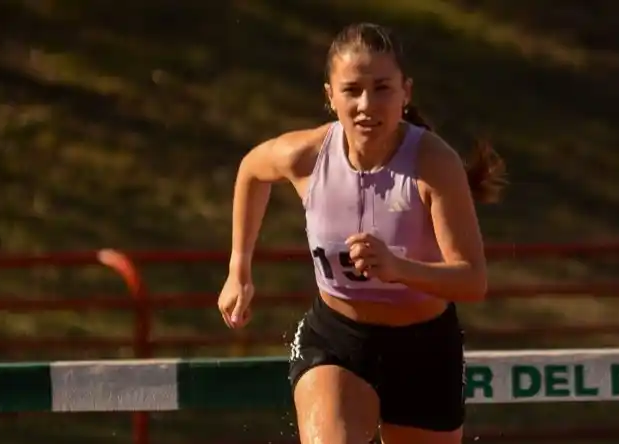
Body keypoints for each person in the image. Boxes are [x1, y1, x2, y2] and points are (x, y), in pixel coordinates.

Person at [217, 22, 507, 444]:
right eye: (352, 90)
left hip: (423, 348)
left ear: (405, 92)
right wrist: (238, 267)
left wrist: (398, 268)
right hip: (337, 339)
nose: (367, 105)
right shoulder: (309, 156)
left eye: (382, 88)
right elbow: (252, 171)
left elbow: (472, 280)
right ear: (330, 96)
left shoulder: (432, 163)